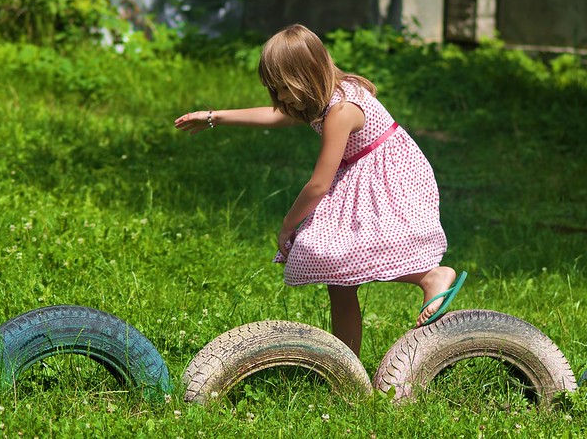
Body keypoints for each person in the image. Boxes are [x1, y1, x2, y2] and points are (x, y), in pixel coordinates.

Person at [174, 24, 466, 357]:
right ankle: (346, 363)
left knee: (347, 252)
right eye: (275, 89)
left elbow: (318, 184)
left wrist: (288, 224)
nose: (281, 97)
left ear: (307, 75)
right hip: (363, 172)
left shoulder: (341, 110)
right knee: (339, 279)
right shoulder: (326, 95)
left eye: (284, 88)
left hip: (387, 178)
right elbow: (278, 115)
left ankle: (431, 276)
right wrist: (215, 117)